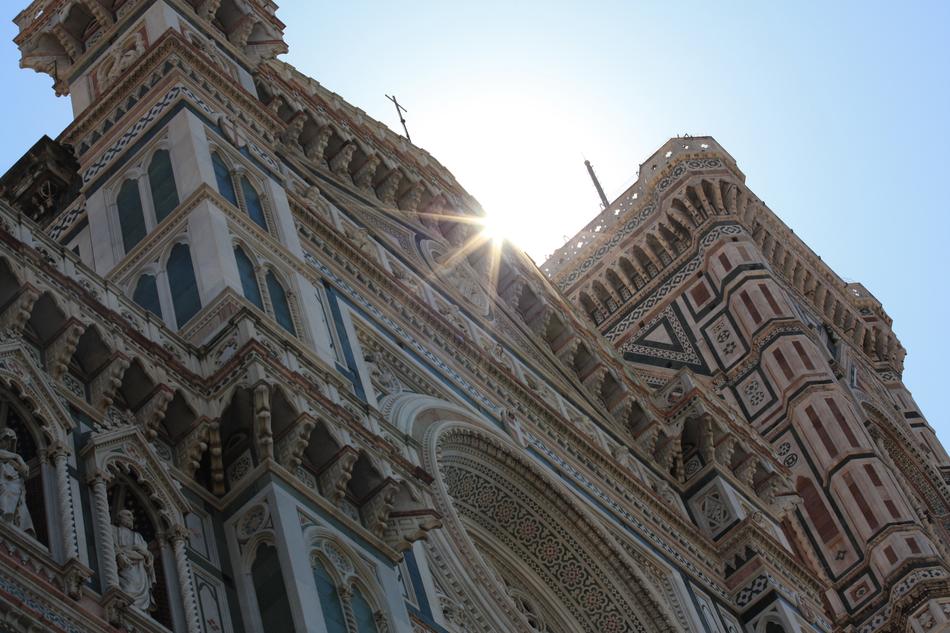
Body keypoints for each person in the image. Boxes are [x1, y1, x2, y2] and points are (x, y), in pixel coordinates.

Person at [113, 509, 156, 611]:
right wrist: (120, 554)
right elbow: (111, 546)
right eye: (128, 515)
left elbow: (146, 555)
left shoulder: (138, 536)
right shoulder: (112, 530)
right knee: (128, 588)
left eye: (132, 516)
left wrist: (146, 555)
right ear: (119, 518)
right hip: (124, 567)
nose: (131, 518)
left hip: (140, 572)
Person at [0, 428, 33, 534]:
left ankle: (13, 521)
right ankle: (3, 513)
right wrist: (18, 457)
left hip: (11, 484)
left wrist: (23, 469)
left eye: (11, 441)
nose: (8, 443)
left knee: (17, 491)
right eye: (6, 439)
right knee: (5, 489)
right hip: (3, 483)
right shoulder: (11, 456)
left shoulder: (12, 462)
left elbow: (25, 475)